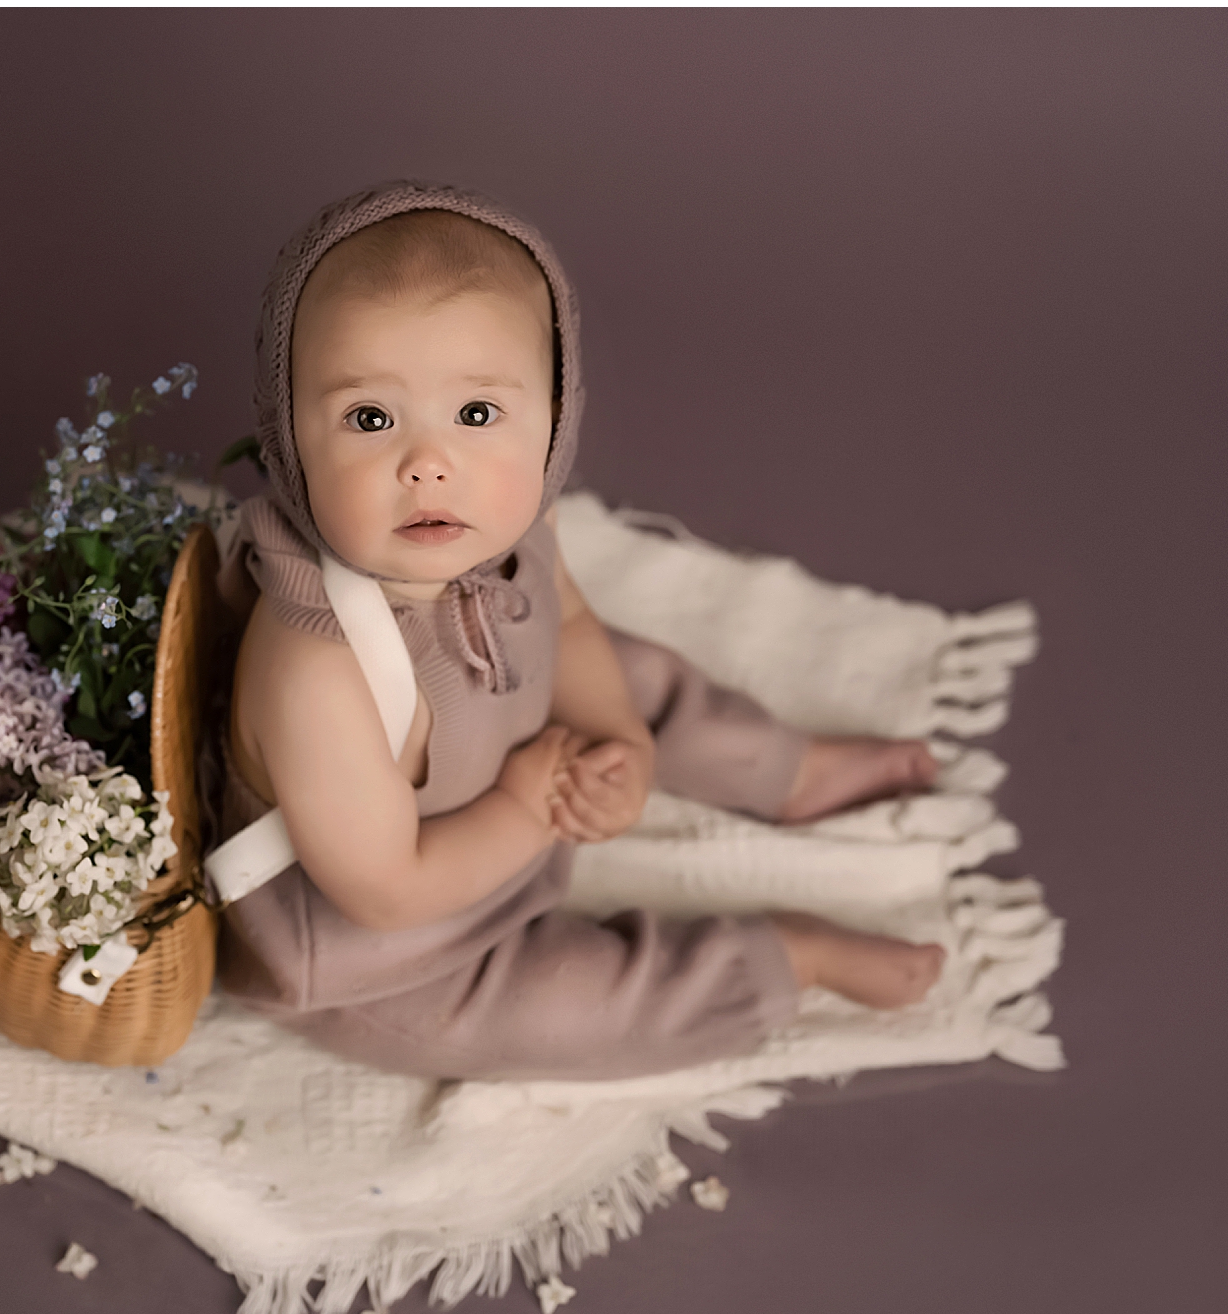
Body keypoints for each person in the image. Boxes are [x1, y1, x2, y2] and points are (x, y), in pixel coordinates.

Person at [209, 180, 947, 1082]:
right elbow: (387, 891)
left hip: (514, 755)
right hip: (391, 947)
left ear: (555, 424)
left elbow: (570, 623)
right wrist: (529, 809)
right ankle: (787, 960)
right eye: (370, 419)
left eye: (477, 415)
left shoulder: (516, 531)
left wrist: (620, 744)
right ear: (288, 439)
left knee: (628, 672)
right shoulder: (315, 669)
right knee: (559, 1009)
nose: (429, 466)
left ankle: (783, 769)